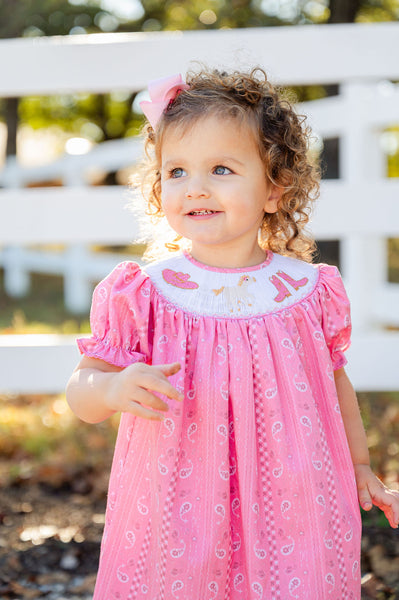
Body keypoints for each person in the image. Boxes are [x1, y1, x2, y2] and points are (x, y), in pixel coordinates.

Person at [66, 68, 399, 600]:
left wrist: (360, 466)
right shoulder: (144, 292)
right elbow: (82, 387)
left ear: (274, 188)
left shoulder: (306, 289)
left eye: (220, 168)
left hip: (296, 494)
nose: (195, 186)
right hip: (178, 500)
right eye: (176, 171)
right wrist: (108, 389)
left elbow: (334, 385)